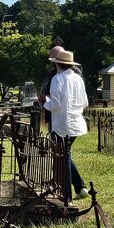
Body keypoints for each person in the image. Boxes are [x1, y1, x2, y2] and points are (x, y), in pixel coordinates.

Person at [44, 48, 89, 200]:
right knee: (65, 156)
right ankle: (79, 187)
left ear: (58, 64)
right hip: (77, 123)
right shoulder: (78, 79)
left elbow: (55, 104)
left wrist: (45, 103)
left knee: (64, 158)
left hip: (62, 125)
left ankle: (67, 195)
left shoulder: (57, 79)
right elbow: (85, 103)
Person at [37, 45, 63, 131]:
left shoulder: (71, 75)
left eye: (54, 61)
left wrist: (48, 97)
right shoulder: (52, 73)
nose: (53, 63)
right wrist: (44, 97)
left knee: (59, 136)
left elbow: (64, 95)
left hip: (61, 113)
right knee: (53, 134)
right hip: (51, 111)